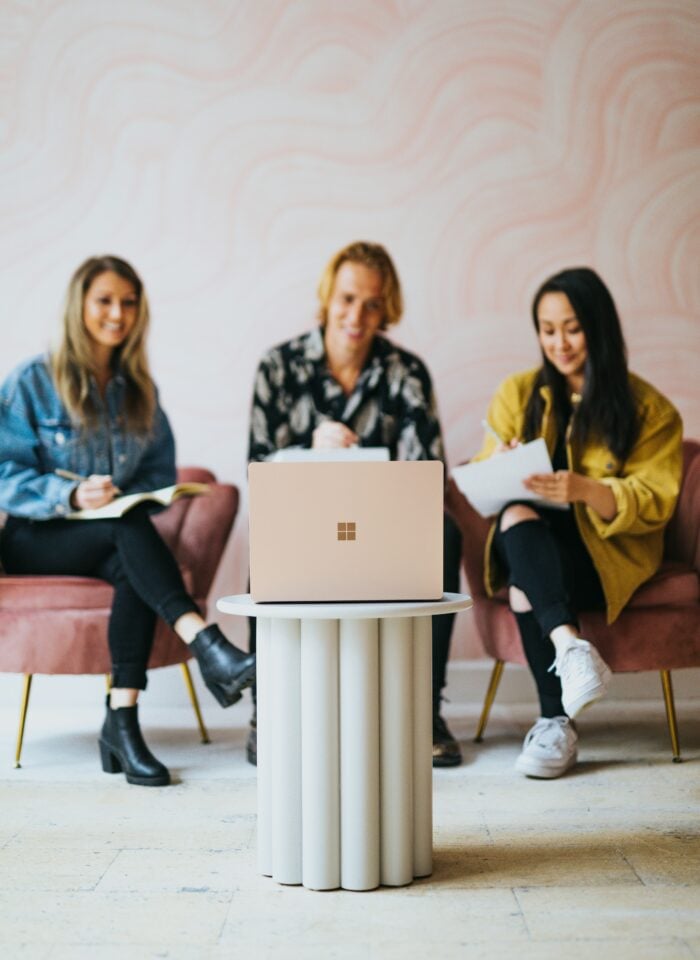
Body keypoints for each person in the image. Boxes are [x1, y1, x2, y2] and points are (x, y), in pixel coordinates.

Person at [0, 255, 256, 787]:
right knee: (127, 531)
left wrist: (124, 494)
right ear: (81, 306)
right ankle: (207, 646)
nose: (118, 313)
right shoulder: (32, 380)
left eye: (129, 302)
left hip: (110, 536)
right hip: (34, 536)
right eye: (105, 301)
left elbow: (158, 472)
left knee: (128, 549)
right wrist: (71, 494)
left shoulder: (140, 390)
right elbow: (5, 473)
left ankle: (122, 721)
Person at [447, 266, 682, 778]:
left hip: (607, 559)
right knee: (516, 517)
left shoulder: (650, 409)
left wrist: (586, 490)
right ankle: (571, 652)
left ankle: (555, 719)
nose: (560, 343)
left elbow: (656, 499)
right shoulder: (518, 392)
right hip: (534, 547)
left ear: (599, 328)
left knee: (523, 589)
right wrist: (503, 464)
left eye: (572, 328)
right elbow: (486, 483)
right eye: (548, 330)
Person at [247, 240, 463, 767]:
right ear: (327, 296)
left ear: (386, 308)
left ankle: (425, 710)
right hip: (299, 527)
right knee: (266, 546)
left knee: (447, 532)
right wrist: (307, 453)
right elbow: (257, 471)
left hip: (383, 529)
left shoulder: (406, 373)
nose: (357, 315)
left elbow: (425, 475)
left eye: (371, 303)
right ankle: (266, 711)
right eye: (347, 299)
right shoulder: (278, 367)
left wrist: (372, 478)